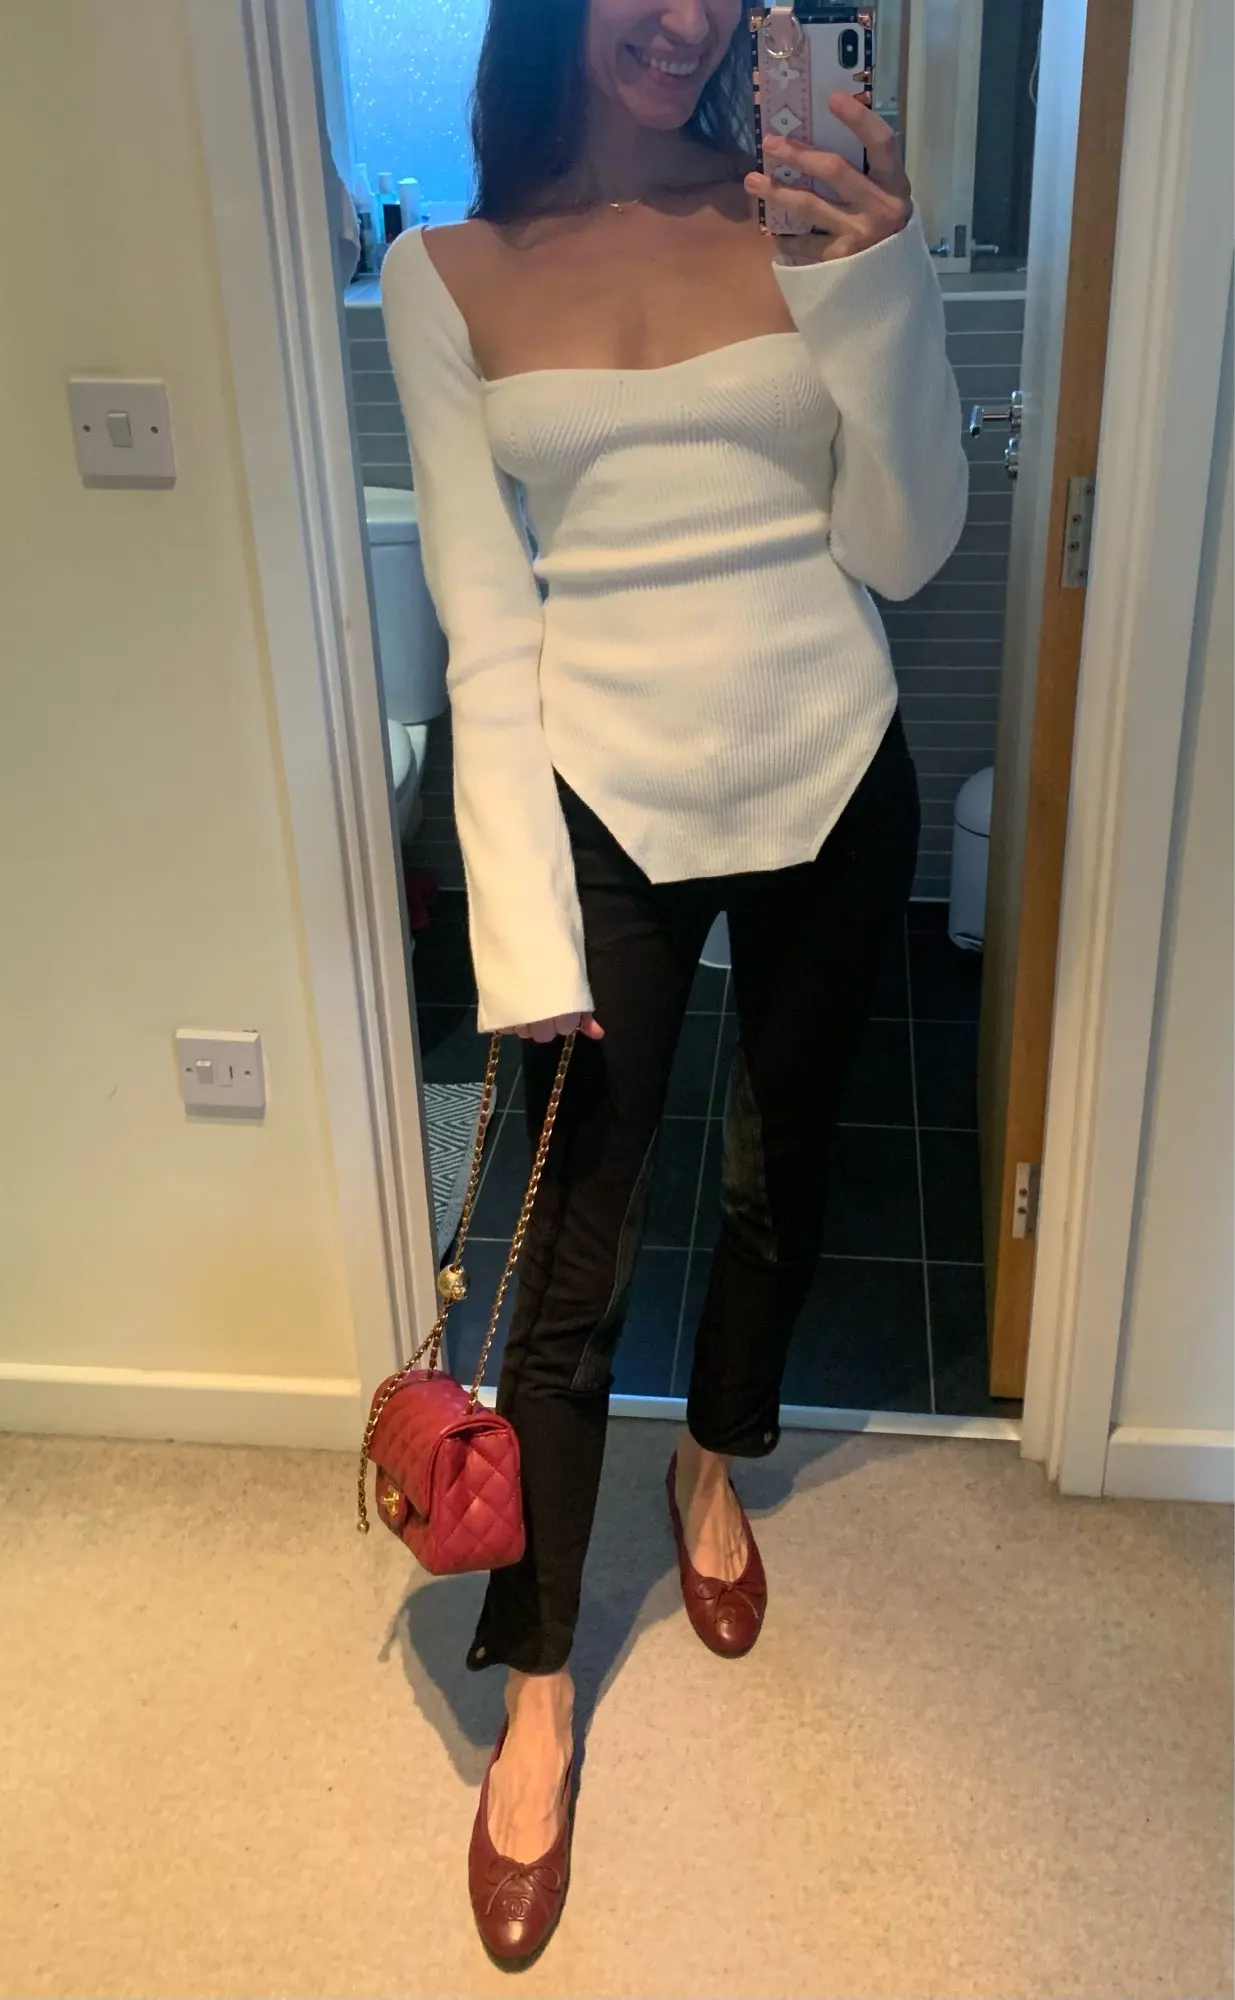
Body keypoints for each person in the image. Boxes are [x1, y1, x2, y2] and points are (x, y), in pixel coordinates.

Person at [381, 0, 966, 1962]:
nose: (681, 14)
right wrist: (519, 930)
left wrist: (874, 279)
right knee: (568, 1256)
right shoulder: (446, 271)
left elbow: (905, 543)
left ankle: (712, 1455)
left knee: (778, 1178)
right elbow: (481, 622)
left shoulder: (798, 217)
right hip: (597, 802)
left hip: (830, 773)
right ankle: (539, 1679)